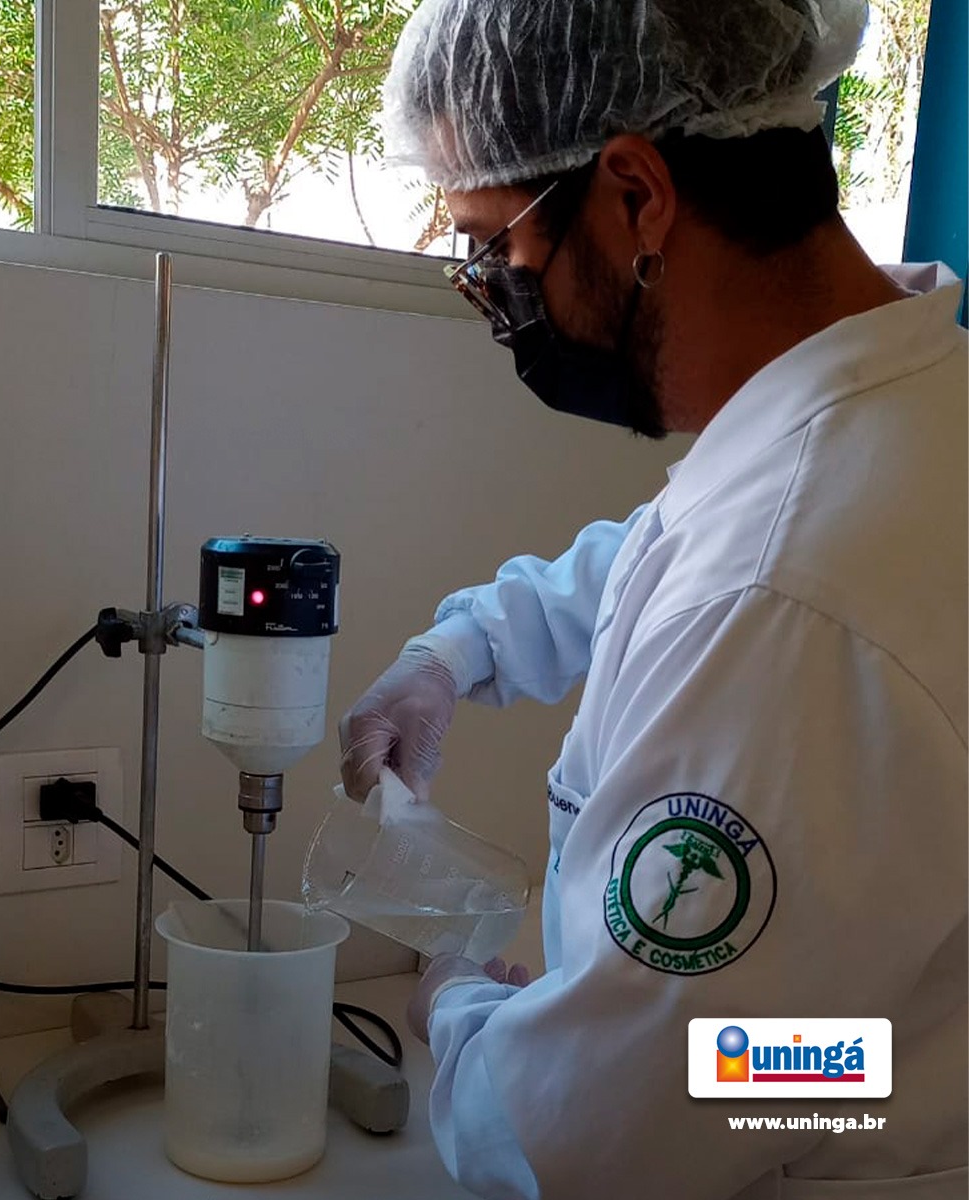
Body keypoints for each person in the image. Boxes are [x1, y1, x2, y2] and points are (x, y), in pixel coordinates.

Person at [338, 1, 968, 1197]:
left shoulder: (789, 599)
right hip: (877, 1067)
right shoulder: (906, 408)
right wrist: (462, 648)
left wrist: (466, 1016)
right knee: (881, 1065)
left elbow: (601, 1141)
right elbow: (665, 553)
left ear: (636, 195)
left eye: (494, 247)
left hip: (816, 1128)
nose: (495, 294)